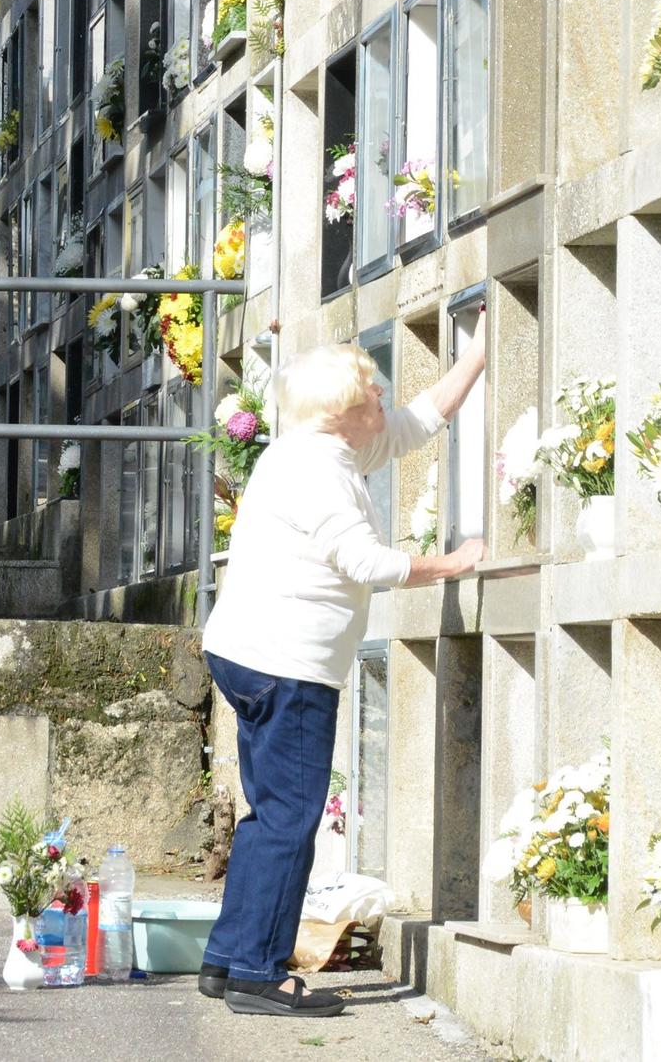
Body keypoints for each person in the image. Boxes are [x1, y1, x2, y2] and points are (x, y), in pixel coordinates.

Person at [195, 321, 486, 1018]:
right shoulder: (318, 471)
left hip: (250, 650)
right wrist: (451, 561)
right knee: (290, 818)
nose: (384, 396)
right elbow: (366, 561)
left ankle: (226, 957)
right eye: (372, 392)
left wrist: (476, 356)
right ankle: (257, 974)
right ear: (343, 411)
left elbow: (417, 423)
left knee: (269, 815)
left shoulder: (314, 447)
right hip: (287, 665)